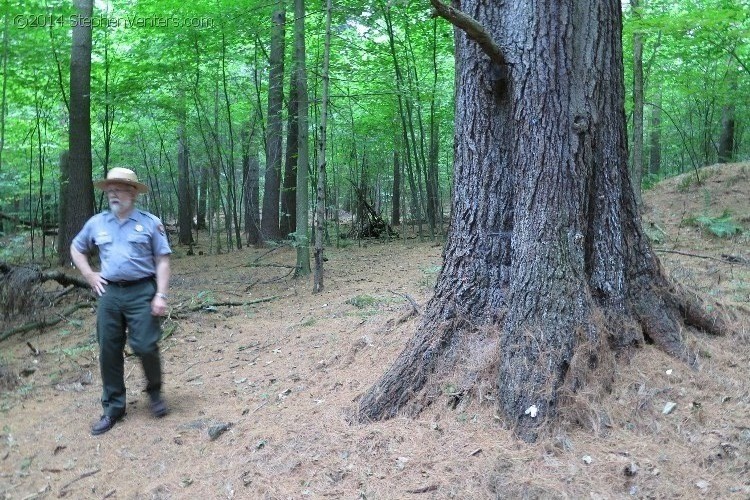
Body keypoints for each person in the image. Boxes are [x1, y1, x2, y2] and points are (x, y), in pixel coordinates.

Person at [70, 167, 172, 436]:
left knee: (146, 345)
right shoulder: (97, 223)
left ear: (133, 192)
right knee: (108, 350)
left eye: (119, 189)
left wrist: (160, 294)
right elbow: (76, 248)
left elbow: (162, 260)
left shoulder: (150, 223)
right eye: (110, 190)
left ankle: (155, 393)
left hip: (142, 291)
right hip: (110, 294)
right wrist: (89, 274)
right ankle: (114, 408)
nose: (113, 194)